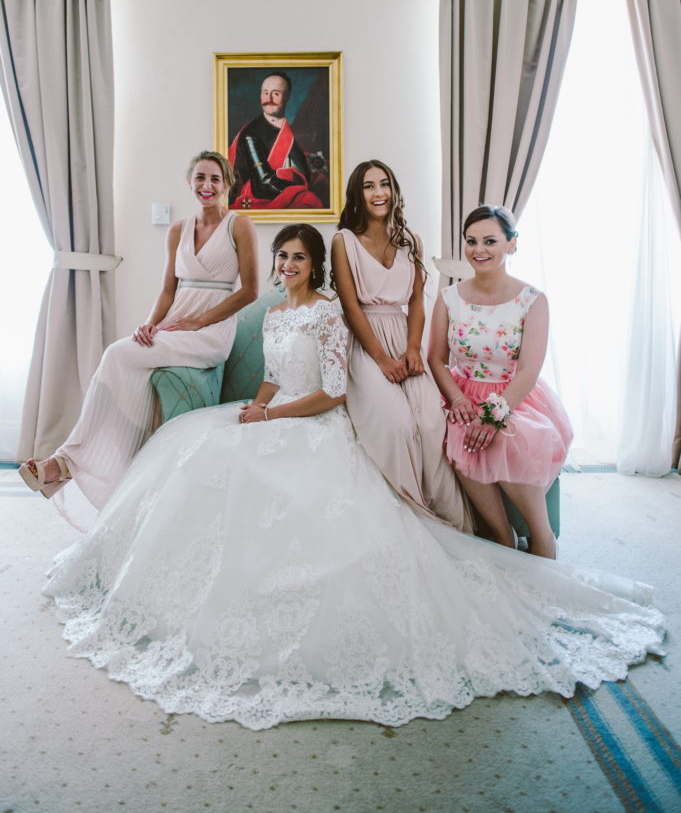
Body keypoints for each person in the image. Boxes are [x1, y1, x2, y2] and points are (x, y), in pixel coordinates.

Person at [43, 224, 664, 730]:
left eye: (298, 257)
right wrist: (255, 407)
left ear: (315, 266)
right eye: (282, 256)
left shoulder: (327, 315)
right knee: (197, 450)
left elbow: (334, 392)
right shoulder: (277, 316)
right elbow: (273, 378)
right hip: (275, 412)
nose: (288, 265)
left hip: (315, 422)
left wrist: (273, 415)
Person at [18, 150, 258, 530]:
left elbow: (250, 291)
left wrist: (199, 322)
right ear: (189, 183)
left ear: (226, 184)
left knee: (116, 355)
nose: (207, 185)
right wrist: (148, 326)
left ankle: (63, 463)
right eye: (200, 177)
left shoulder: (238, 226)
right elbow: (167, 291)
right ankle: (97, 468)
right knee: (126, 362)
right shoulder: (177, 230)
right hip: (176, 323)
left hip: (211, 333)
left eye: (215, 178)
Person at [331, 160, 471, 530]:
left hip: (405, 337)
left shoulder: (412, 241)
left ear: (393, 191)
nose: (378, 193)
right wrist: (381, 358)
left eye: (384, 184)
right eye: (369, 186)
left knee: (430, 421)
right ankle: (413, 517)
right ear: (358, 194)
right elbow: (350, 306)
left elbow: (417, 301)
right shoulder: (343, 242)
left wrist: (412, 350)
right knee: (396, 424)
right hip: (366, 342)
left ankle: (448, 519)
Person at [427, 204, 572, 559]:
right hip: (463, 391)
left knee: (512, 436)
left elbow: (528, 371)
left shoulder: (533, 300)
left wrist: (493, 417)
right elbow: (436, 359)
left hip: (514, 395)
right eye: (471, 241)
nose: (479, 250)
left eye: (490, 241)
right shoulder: (449, 298)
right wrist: (458, 399)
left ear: (511, 244)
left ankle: (542, 537)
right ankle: (503, 537)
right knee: (459, 434)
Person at [228, 71, 325, 209]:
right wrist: (298, 190)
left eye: (276, 94)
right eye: (265, 93)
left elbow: (304, 172)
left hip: (278, 191)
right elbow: (263, 185)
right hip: (256, 199)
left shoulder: (284, 130)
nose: (269, 98)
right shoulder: (251, 134)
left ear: (287, 97)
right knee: (310, 201)